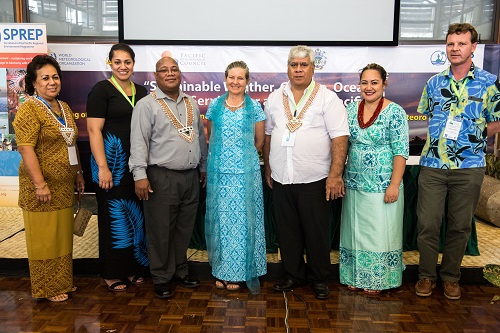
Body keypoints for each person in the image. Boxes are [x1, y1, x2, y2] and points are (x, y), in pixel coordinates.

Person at [415, 23, 500, 300]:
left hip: (469, 166)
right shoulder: (434, 82)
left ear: (473, 47)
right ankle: (426, 276)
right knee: (427, 223)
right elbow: (427, 118)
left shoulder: (489, 82)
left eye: (461, 44)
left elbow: (497, 122)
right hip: (432, 165)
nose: (455, 49)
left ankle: (451, 277)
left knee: (460, 225)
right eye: (451, 44)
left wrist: (472, 135)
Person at [263, 45, 349, 300]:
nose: (298, 70)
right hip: (281, 176)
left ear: (313, 68)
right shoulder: (275, 97)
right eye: (294, 65)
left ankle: (319, 278)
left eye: (303, 65)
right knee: (287, 231)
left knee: (315, 232)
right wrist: (268, 166)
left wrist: (335, 175)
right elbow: (269, 133)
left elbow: (340, 137)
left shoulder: (327, 98)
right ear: (287, 68)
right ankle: (293, 275)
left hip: (315, 178)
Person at [129, 56, 208, 299]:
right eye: (164, 70)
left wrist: (202, 166)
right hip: (161, 177)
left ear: (180, 73)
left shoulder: (191, 103)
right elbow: (139, 142)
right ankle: (162, 277)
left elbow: (198, 138)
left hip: (190, 176)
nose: (170, 73)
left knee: (183, 229)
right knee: (161, 230)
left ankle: (180, 271)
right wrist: (140, 175)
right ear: (156, 76)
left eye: (174, 69)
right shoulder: (146, 105)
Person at [12, 54, 85, 302]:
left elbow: (71, 142)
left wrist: (78, 173)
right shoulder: (29, 109)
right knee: (44, 238)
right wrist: (39, 184)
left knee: (61, 236)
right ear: (33, 83)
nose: (51, 82)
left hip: (64, 184)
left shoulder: (63, 107)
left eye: (55, 77)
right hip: (41, 188)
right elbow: (25, 148)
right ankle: (47, 287)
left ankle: (62, 281)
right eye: (45, 78)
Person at [339, 63, 409, 295]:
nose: (369, 87)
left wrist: (394, 185)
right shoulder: (350, 110)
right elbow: (343, 145)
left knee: (379, 232)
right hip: (355, 183)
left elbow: (401, 151)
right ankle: (355, 276)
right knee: (355, 231)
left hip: (383, 186)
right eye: (364, 82)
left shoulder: (395, 112)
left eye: (374, 82)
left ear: (384, 84)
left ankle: (379, 279)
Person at [86, 43, 149, 292]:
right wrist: (102, 166)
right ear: (109, 63)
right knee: (114, 218)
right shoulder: (101, 90)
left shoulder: (142, 91)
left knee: (135, 217)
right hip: (110, 165)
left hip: (135, 166)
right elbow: (93, 130)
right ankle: (112, 272)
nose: (123, 66)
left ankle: (134, 268)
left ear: (134, 64)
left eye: (127, 62)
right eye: (118, 62)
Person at [205, 61, 267, 294]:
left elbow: (259, 142)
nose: (235, 82)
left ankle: (242, 272)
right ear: (225, 78)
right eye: (231, 77)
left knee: (243, 223)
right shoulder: (215, 106)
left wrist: (242, 159)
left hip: (245, 177)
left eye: (240, 78)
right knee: (223, 223)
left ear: (247, 81)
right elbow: (212, 138)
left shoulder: (254, 107)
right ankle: (222, 272)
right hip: (220, 176)